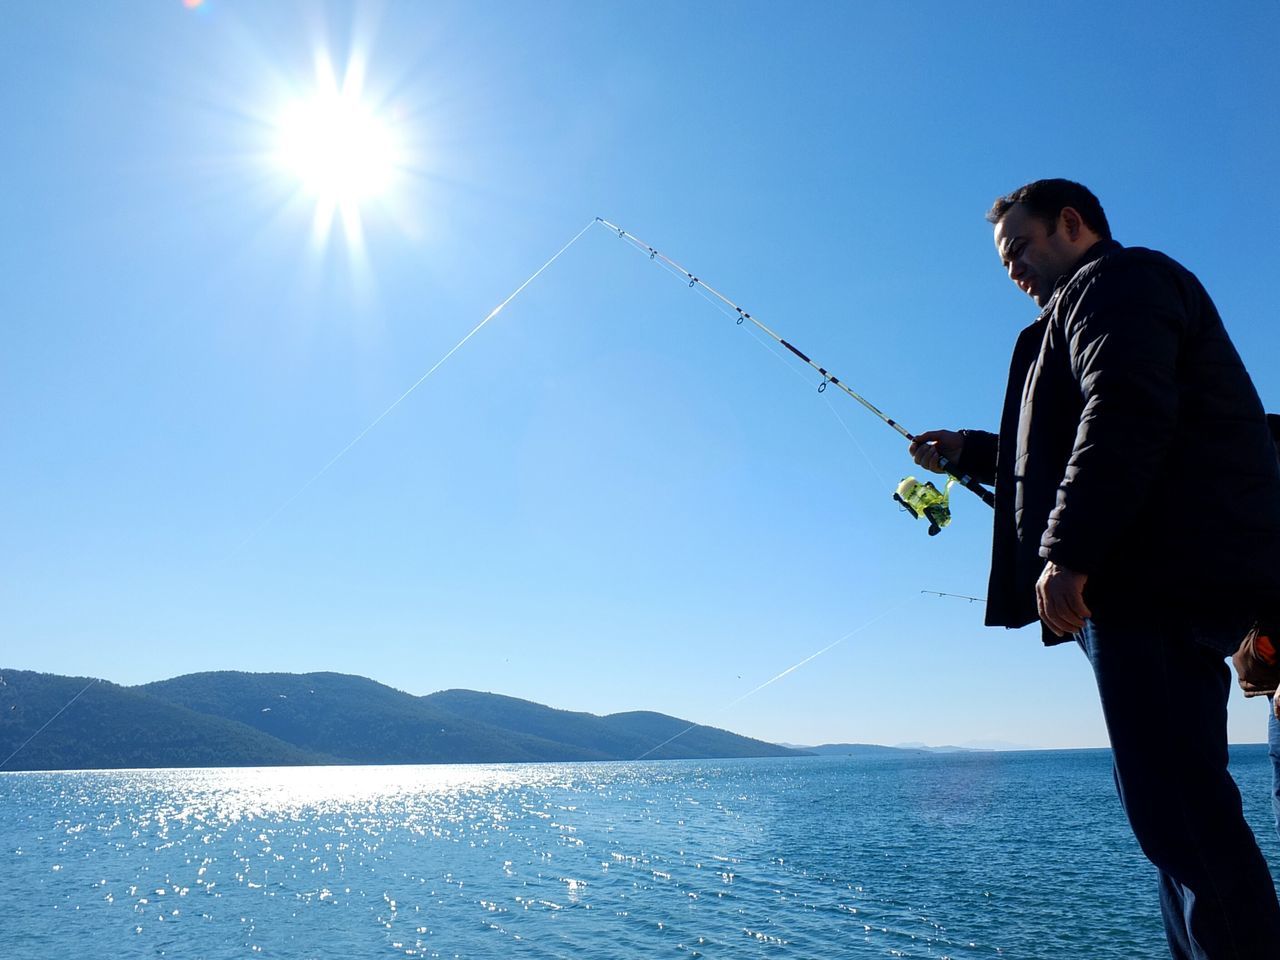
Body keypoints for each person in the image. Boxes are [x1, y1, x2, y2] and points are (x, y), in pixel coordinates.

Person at [909, 179, 1280, 960]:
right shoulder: (1091, 304)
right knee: (1169, 821)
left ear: (1071, 224)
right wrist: (971, 451)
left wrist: (1068, 551)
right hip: (1151, 583)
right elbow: (1066, 437)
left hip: (1153, 584)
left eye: (1019, 249)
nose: (1013, 270)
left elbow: (1126, 410)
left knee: (1182, 815)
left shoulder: (1119, 281)